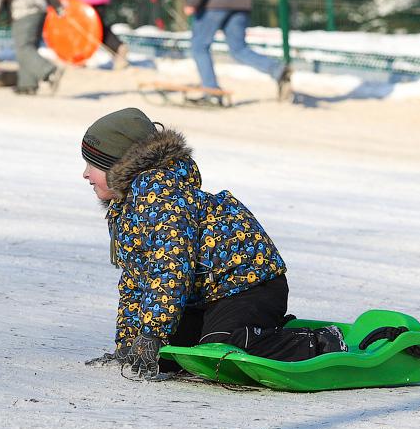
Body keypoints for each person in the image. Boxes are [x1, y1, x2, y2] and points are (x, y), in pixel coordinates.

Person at [80, 108, 346, 380]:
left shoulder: (160, 198)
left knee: (223, 351)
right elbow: (137, 280)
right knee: (171, 356)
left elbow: (170, 269)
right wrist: (130, 342)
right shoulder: (125, 208)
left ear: (120, 167)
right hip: (206, 297)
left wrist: (152, 333)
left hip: (247, 287)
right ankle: (260, 331)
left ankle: (320, 342)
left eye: (94, 165)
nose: (85, 174)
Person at [184, 0, 290, 101]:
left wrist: (192, 1)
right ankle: (277, 69)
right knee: (239, 49)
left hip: (214, 2)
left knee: (199, 47)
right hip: (240, 1)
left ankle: (212, 93)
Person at [58, 0, 127, 68]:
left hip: (83, 0)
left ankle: (79, 59)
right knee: (99, 28)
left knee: (79, 30)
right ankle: (118, 47)